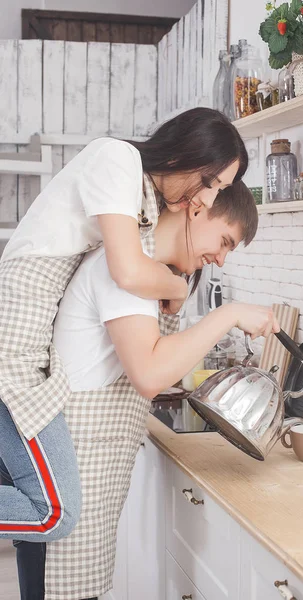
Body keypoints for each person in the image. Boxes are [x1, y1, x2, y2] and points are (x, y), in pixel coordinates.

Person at [1, 181, 279, 600]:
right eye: (224, 241)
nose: (220, 258)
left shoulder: (151, 276)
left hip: (90, 475)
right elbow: (149, 375)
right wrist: (229, 314)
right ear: (196, 207)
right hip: (71, 463)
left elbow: (155, 367)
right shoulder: (126, 274)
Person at [0, 107, 248, 546]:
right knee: (54, 514)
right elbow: (129, 272)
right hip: (15, 331)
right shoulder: (117, 159)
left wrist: (175, 287)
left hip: (32, 343)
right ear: (191, 156)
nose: (208, 201)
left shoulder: (141, 203)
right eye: (215, 185)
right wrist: (177, 286)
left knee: (41, 507)